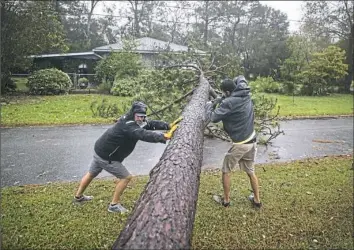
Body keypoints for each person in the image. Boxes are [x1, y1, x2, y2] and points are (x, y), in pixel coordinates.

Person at [73, 101, 181, 213]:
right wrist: (164, 136)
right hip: (107, 156)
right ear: (133, 114)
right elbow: (142, 134)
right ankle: (114, 205)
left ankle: (78, 197)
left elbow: (149, 124)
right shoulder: (128, 125)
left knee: (91, 173)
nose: (141, 119)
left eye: (143, 116)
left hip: (100, 150)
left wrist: (168, 125)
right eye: (139, 116)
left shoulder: (134, 120)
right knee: (126, 177)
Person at [206, 76, 262, 209]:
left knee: (226, 170)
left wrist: (211, 105)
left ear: (226, 92)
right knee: (250, 171)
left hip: (240, 144)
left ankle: (226, 201)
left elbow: (213, 117)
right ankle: (257, 201)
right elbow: (241, 77)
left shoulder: (229, 103)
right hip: (252, 140)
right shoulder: (245, 92)